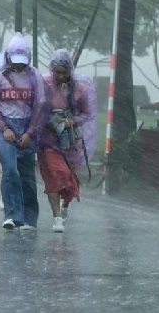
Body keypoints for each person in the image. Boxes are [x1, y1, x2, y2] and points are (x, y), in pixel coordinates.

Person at [0, 32, 46, 231]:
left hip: (28, 124)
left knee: (27, 173)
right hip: (6, 126)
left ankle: (30, 217)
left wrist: (30, 132)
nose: (18, 65)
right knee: (10, 169)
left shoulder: (34, 76)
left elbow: (40, 104)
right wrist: (3, 128)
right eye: (15, 60)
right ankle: (12, 215)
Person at [39, 49, 97, 232]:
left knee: (70, 178)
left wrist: (72, 120)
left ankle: (64, 206)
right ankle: (56, 217)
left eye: (65, 72)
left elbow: (87, 113)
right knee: (56, 174)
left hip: (70, 140)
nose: (61, 76)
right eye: (57, 72)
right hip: (47, 140)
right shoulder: (43, 84)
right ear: (52, 70)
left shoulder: (78, 88)